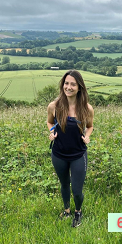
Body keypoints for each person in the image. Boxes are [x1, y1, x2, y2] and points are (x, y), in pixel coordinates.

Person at [47, 69, 94, 227]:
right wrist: (52, 131)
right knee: (64, 183)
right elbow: (49, 122)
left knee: (77, 189)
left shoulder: (86, 109)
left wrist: (87, 136)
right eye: (66, 83)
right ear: (62, 85)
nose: (69, 87)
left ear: (79, 87)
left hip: (78, 154)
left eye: (73, 84)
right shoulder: (54, 106)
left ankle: (78, 211)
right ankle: (67, 210)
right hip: (59, 153)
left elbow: (90, 126)